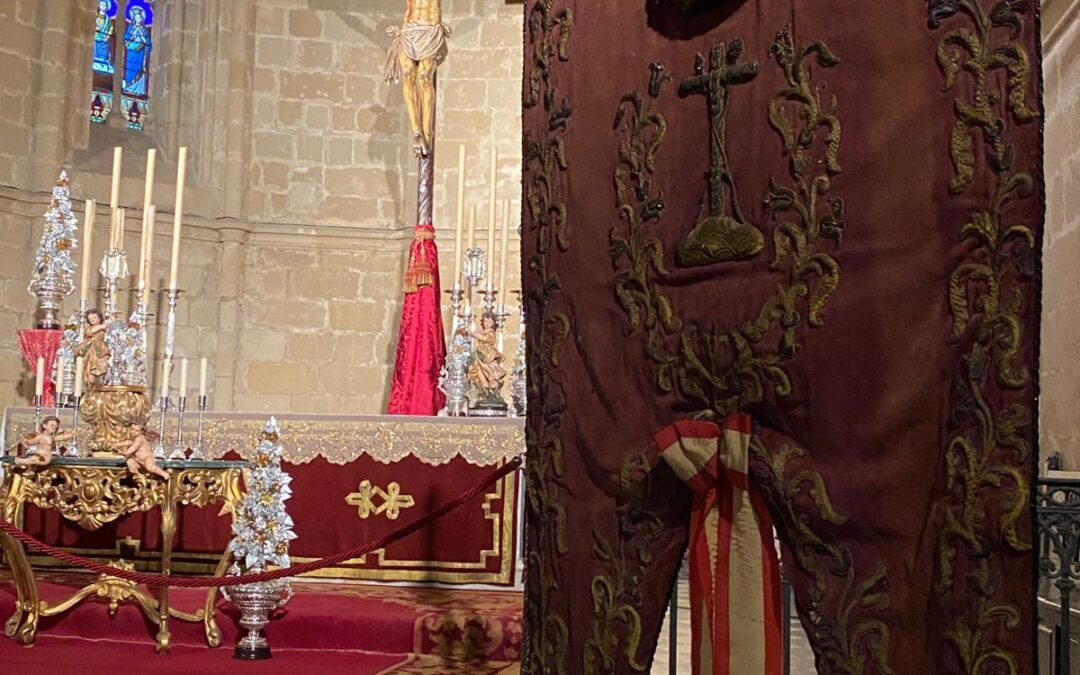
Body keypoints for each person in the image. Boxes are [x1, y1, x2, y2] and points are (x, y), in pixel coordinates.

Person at [384, 0, 450, 157]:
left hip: (430, 31)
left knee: (424, 76)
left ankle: (427, 133)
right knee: (407, 74)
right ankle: (416, 131)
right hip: (409, 32)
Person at [468, 312, 507, 399]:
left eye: (490, 322)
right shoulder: (485, 331)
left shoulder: (491, 332)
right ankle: (485, 385)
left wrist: (474, 334)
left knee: (487, 368)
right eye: (485, 321)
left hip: (487, 354)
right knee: (477, 368)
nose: (487, 324)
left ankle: (491, 384)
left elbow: (485, 337)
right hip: (480, 353)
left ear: (494, 323)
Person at [76, 309, 110, 385]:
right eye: (90, 319)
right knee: (89, 369)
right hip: (91, 352)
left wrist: (111, 316)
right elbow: (90, 332)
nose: (93, 320)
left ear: (100, 318)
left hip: (101, 352)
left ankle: (99, 383)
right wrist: (102, 326)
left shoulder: (104, 330)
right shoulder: (91, 328)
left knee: (101, 369)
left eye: (94, 318)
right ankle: (89, 385)